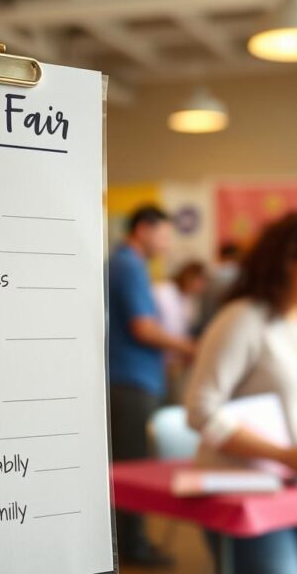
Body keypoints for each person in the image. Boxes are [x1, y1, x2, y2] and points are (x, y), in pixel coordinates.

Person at [184, 211, 297, 574]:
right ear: (289, 259)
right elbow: (200, 410)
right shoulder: (243, 319)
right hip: (247, 490)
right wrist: (284, 454)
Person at [107, 205, 195, 567]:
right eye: (163, 234)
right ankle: (132, 545)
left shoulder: (127, 263)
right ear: (142, 229)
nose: (167, 243)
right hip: (129, 382)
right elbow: (142, 328)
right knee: (131, 467)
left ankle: (131, 540)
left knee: (130, 462)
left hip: (134, 380)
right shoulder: (127, 265)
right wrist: (190, 348)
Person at [153, 260, 208, 402]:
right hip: (157, 359)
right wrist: (187, 347)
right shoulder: (162, 292)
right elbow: (152, 330)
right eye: (199, 280)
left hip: (176, 363)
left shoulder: (191, 301)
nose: (201, 286)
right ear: (189, 276)